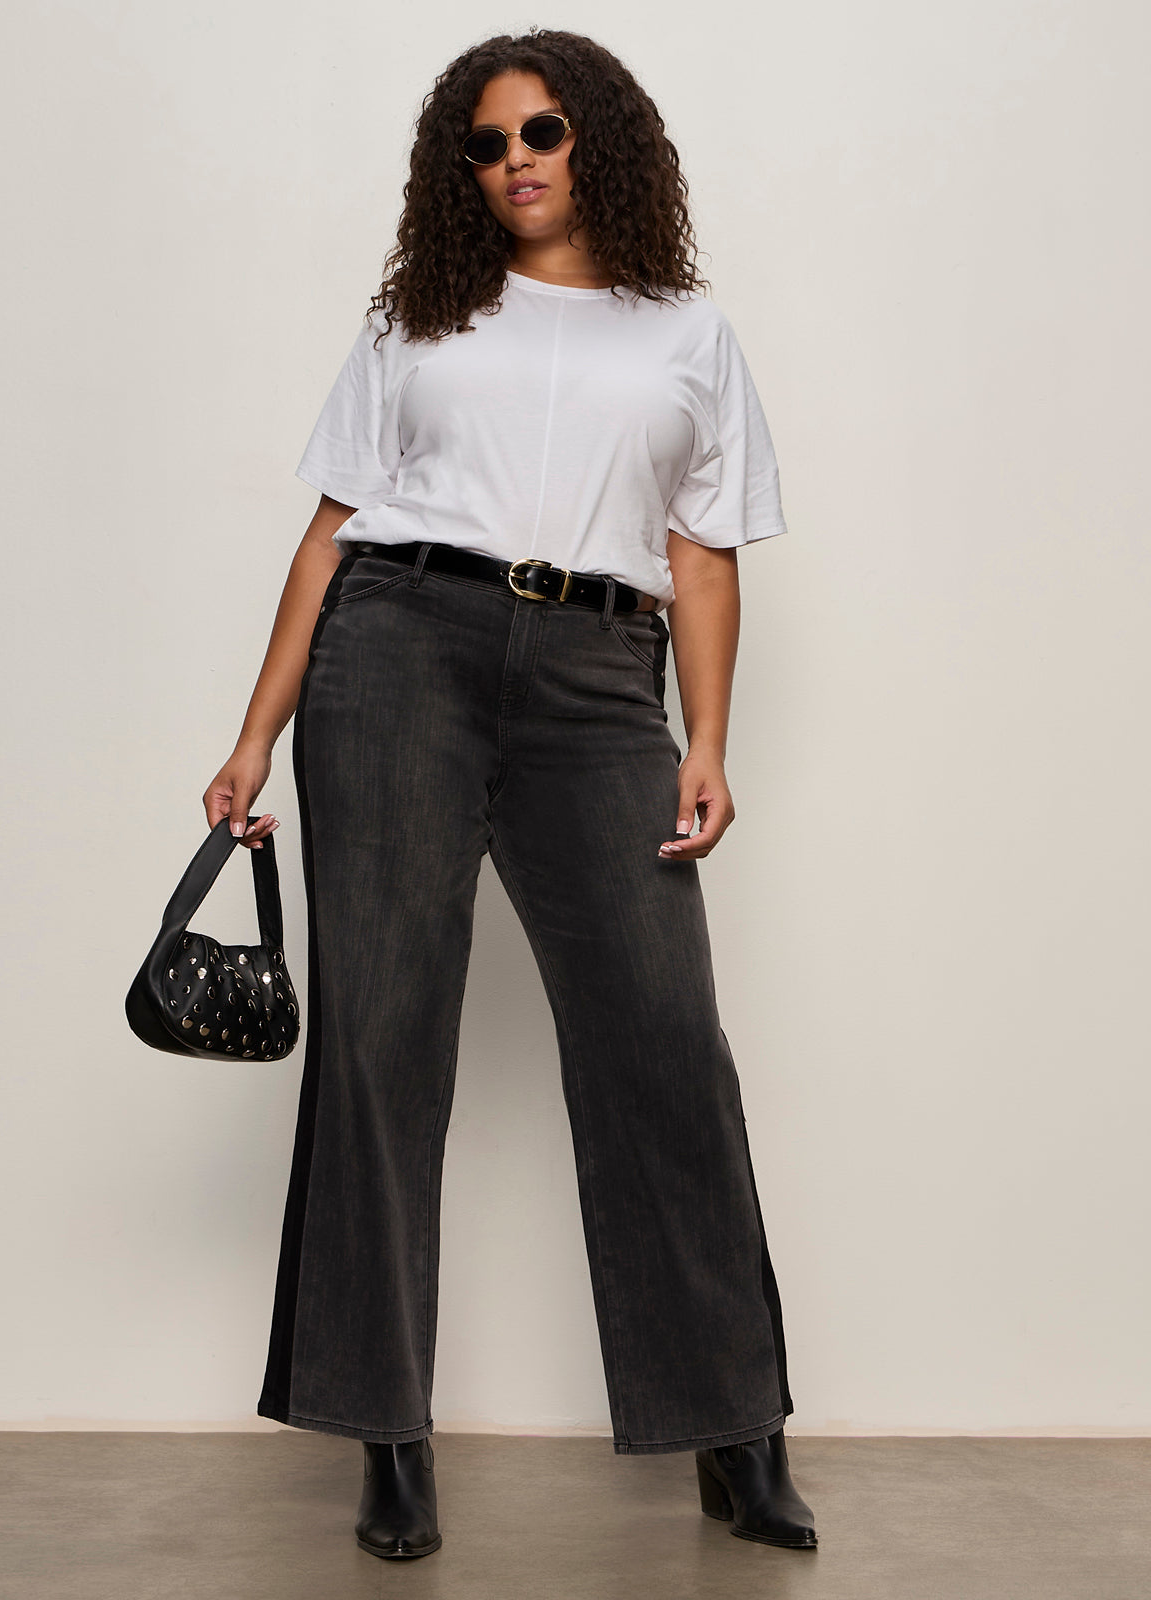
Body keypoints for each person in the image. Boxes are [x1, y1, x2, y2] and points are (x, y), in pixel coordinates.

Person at [204, 27, 818, 1561]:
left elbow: (699, 553)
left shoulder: (686, 331)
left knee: (665, 1042)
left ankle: (735, 1426)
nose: (517, 159)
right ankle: (386, 1433)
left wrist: (709, 734)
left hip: (603, 681)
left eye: (541, 129)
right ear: (455, 171)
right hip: (397, 651)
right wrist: (254, 733)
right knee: (383, 1042)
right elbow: (333, 533)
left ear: (596, 137)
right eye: (483, 143)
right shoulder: (418, 321)